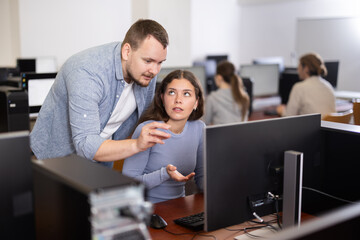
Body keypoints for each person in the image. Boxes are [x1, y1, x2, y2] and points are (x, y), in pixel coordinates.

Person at [30, 19, 172, 167]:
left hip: (103, 154)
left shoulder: (146, 73)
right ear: (127, 52)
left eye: (160, 62)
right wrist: (136, 145)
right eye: (148, 61)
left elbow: (145, 117)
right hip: (57, 158)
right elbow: (86, 144)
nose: (155, 71)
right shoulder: (87, 71)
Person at [122, 70, 205, 203]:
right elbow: (129, 184)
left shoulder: (199, 128)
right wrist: (164, 174)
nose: (178, 100)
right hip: (148, 211)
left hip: (179, 208)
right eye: (171, 92)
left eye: (186, 94)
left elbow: (202, 178)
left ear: (196, 102)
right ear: (162, 97)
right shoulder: (148, 130)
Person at [277, 53, 336, 118]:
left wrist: (281, 111)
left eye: (299, 66)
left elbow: (289, 116)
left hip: (313, 127)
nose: (297, 70)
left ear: (306, 68)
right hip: (327, 127)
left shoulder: (299, 87)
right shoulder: (328, 85)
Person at [204, 61, 250, 125]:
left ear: (219, 77)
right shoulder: (244, 96)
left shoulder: (212, 98)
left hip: (221, 135)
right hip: (241, 134)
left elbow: (204, 123)